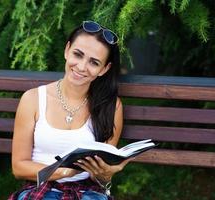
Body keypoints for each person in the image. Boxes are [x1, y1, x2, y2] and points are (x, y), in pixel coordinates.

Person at [8, 20, 134, 200]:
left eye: (94, 62)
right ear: (67, 50)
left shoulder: (111, 107)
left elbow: (100, 177)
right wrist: (63, 172)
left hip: (87, 194)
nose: (82, 67)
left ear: (104, 69)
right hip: (40, 191)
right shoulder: (33, 99)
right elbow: (19, 167)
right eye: (78, 54)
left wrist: (107, 173)